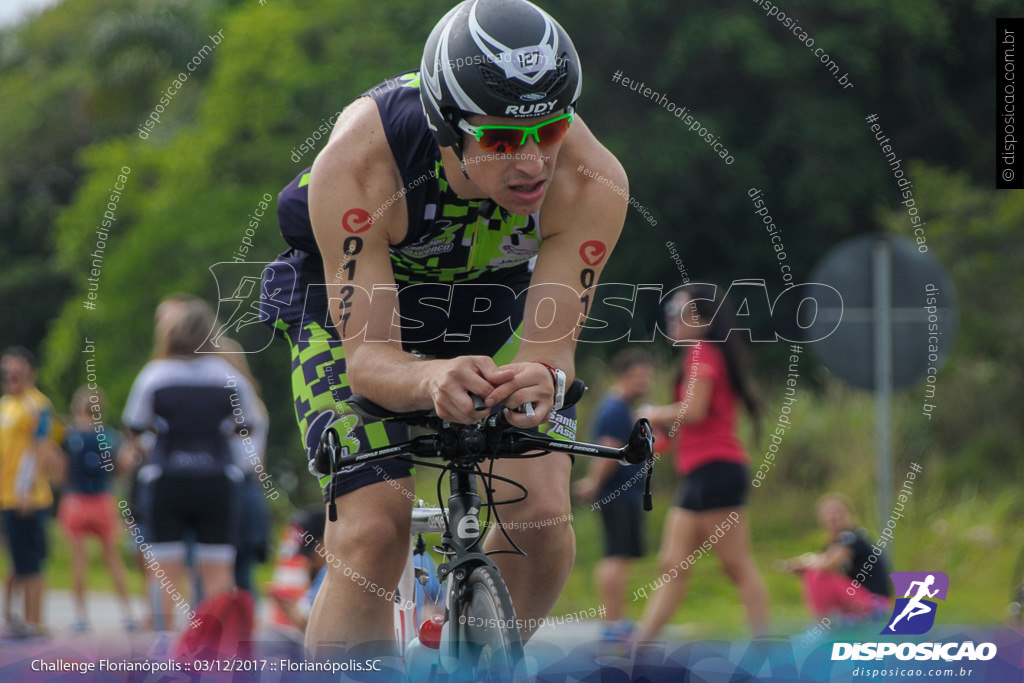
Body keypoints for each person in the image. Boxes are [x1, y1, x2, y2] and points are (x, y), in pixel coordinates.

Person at [260, 0, 627, 655]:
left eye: (550, 130)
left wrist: (543, 378)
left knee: (541, 516)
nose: (534, 162)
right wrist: (429, 377)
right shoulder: (363, 163)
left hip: (488, 309)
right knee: (373, 528)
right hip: (347, 311)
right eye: (503, 140)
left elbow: (553, 352)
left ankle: (472, 665)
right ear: (447, 127)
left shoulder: (591, 181)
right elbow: (371, 358)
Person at [635, 285, 770, 640]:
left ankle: (765, 650)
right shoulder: (701, 354)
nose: (671, 319)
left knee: (736, 566)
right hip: (699, 474)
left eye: (679, 311)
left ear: (704, 321)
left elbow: (693, 411)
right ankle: (637, 651)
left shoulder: (701, 352)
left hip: (717, 470)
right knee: (671, 565)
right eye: (670, 310)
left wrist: (653, 413)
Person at [122, 298, 262, 631]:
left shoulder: (154, 375)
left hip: (168, 479)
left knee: (164, 573)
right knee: (218, 573)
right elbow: (250, 426)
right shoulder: (228, 376)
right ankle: (223, 657)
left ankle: (161, 653)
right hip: (217, 481)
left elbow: (134, 427)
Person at [573, 349, 653, 640]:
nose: (643, 382)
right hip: (616, 494)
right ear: (622, 377)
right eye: (637, 376)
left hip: (630, 492)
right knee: (614, 556)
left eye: (646, 376)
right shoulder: (615, 408)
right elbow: (607, 450)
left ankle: (619, 619)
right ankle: (612, 624)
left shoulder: (628, 408)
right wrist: (593, 483)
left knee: (623, 557)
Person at [57, 386, 137, 632]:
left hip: (77, 499)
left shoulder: (69, 435)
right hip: (103, 499)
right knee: (112, 559)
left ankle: (80, 616)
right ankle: (127, 613)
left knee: (79, 560)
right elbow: (123, 467)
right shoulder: (109, 435)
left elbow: (60, 470)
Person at [0, 346, 60, 638]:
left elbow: (41, 448)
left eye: (18, 373)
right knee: (15, 559)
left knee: (32, 562)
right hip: (6, 496)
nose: (13, 378)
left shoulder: (37, 404)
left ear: (30, 373)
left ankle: (33, 620)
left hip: (28, 497)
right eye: (8, 373)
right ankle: (11, 618)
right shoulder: (5, 406)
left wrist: (26, 490)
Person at [780, 493, 892, 621]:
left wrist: (805, 562)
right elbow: (824, 560)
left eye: (839, 512)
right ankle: (826, 622)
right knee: (811, 574)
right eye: (828, 513)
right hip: (858, 600)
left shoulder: (852, 537)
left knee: (817, 574)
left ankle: (821, 624)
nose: (834, 516)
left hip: (876, 604)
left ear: (849, 515)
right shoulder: (832, 544)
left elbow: (828, 564)